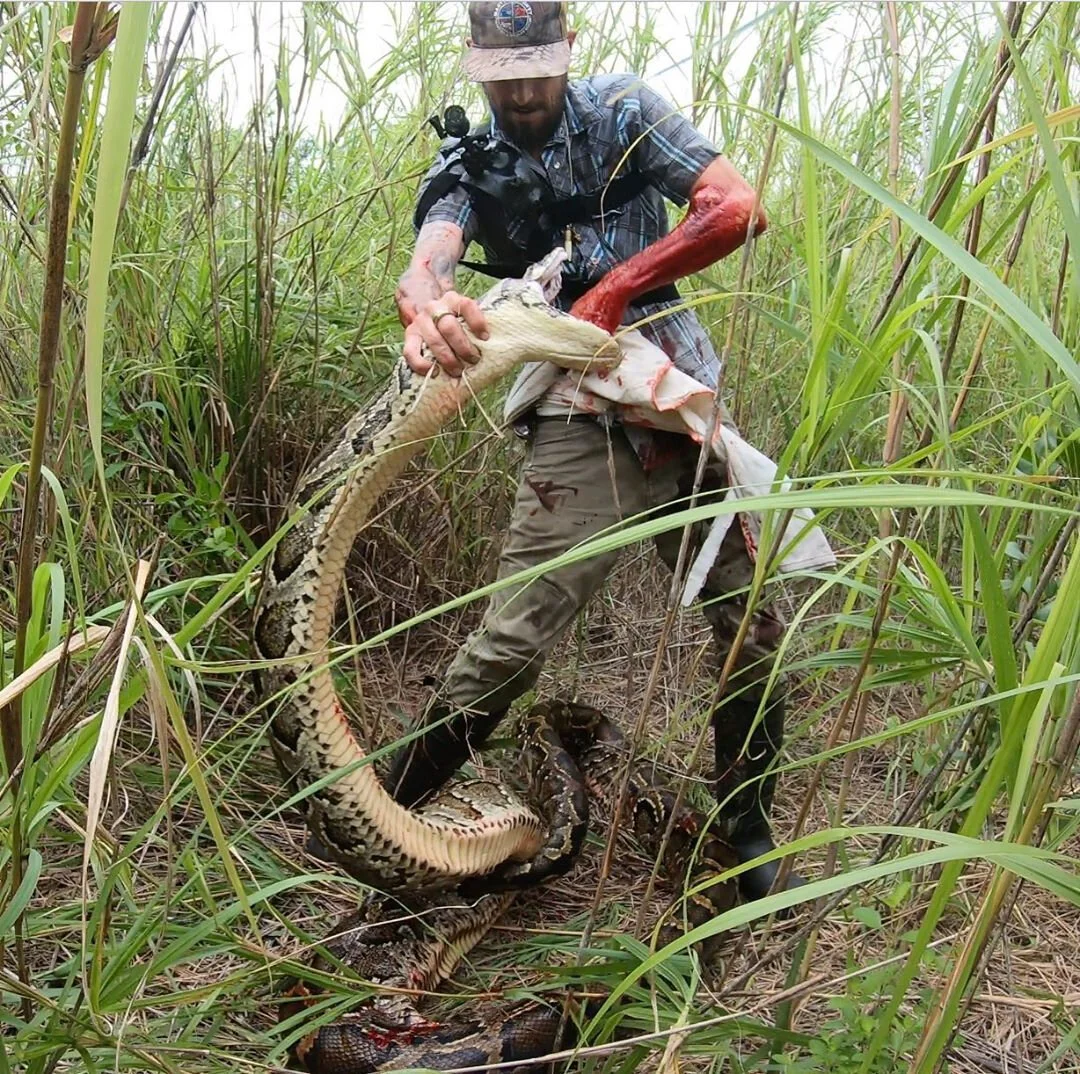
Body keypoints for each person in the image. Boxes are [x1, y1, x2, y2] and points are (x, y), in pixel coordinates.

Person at [387, 0, 804, 902]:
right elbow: (430, 261)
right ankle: (385, 816)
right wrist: (429, 304)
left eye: (538, 69)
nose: (523, 93)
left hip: (679, 395)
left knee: (753, 623)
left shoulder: (624, 112)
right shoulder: (468, 162)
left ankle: (747, 826)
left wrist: (617, 286)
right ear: (475, 63)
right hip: (576, 411)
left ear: (569, 47)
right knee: (513, 642)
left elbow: (735, 208)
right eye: (503, 76)